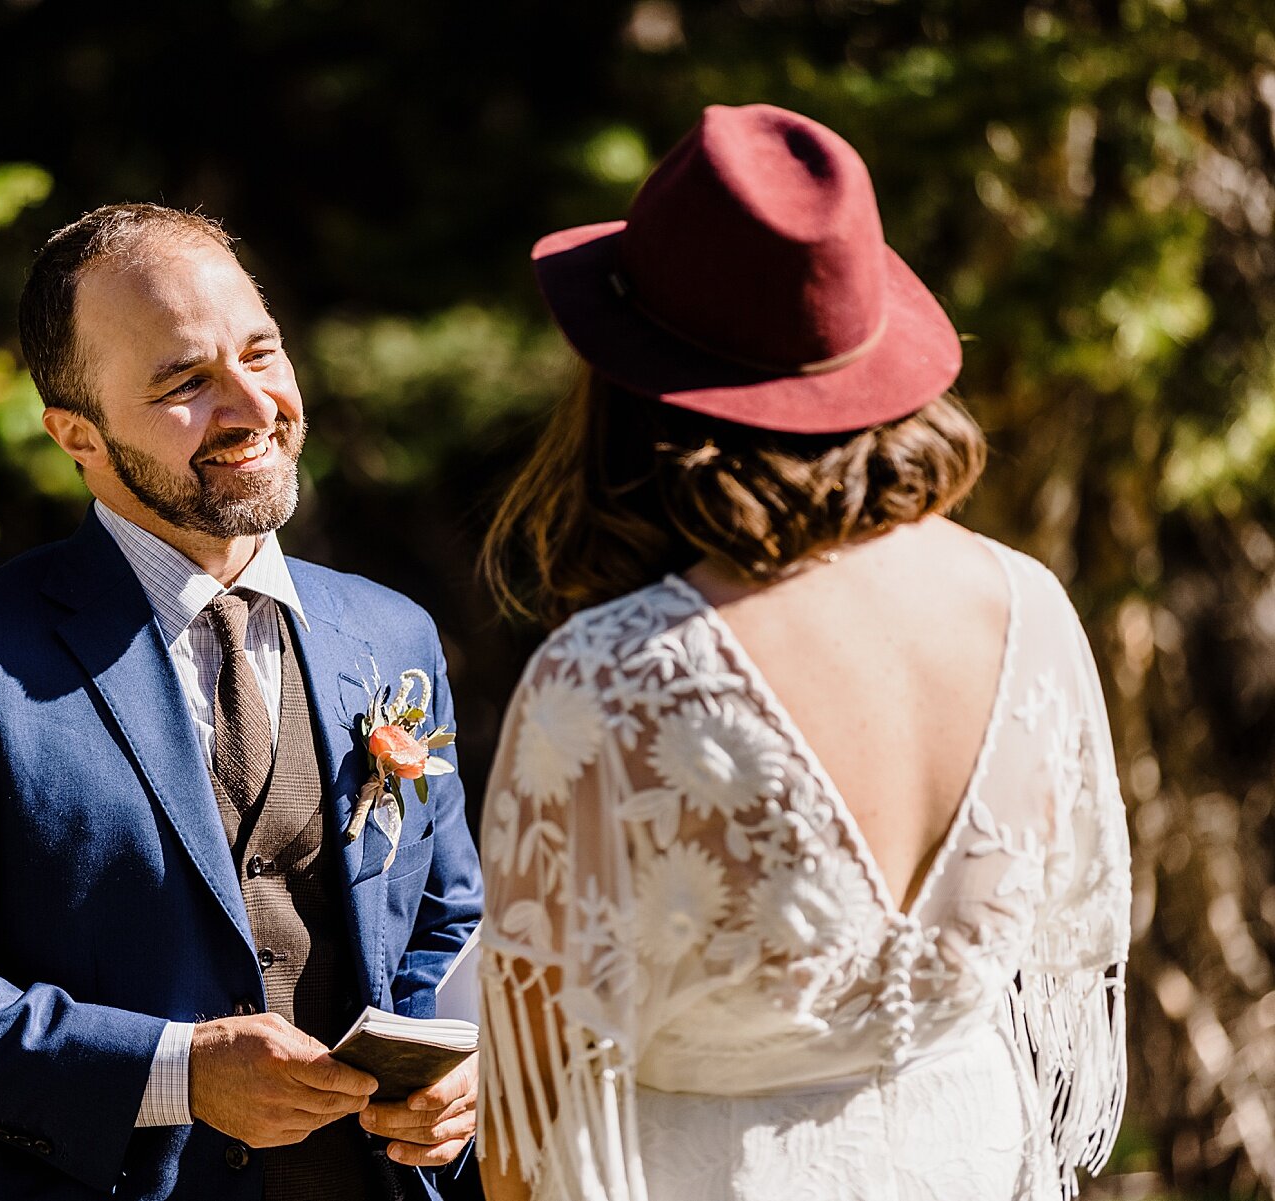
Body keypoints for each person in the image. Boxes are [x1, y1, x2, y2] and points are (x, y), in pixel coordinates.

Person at [474, 104, 1131, 1201]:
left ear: (630, 381)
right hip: (968, 1151)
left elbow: (526, 1120)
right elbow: (1061, 966)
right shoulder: (1028, 604)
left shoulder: (614, 674)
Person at [0, 204, 483, 1201]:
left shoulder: (394, 635)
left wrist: (456, 1078)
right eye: (186, 382)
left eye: (261, 354)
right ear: (77, 435)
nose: (252, 407)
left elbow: (444, 921)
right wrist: (174, 1073)